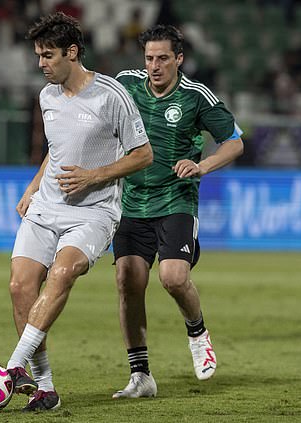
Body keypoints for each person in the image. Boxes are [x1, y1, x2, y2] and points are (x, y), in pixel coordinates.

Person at [5, 12, 153, 412]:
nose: (41, 64)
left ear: (72, 53)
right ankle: (45, 389)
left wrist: (94, 176)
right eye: (38, 55)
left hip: (94, 212)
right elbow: (56, 149)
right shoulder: (46, 95)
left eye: (48, 55)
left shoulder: (111, 95)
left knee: (64, 271)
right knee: (21, 287)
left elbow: (144, 154)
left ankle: (14, 364)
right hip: (46, 206)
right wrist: (34, 186)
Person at [111, 25, 244, 399]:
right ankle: (141, 376)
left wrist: (203, 166)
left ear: (179, 59)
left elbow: (234, 143)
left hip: (176, 199)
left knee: (172, 277)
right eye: (149, 58)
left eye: (163, 59)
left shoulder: (196, 95)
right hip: (132, 200)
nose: (154, 66)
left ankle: (198, 333)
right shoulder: (126, 84)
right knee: (128, 281)